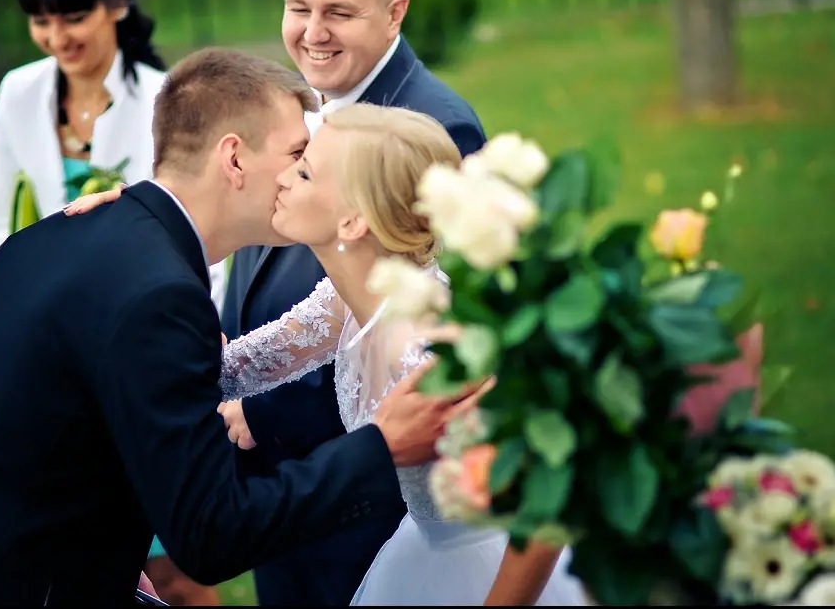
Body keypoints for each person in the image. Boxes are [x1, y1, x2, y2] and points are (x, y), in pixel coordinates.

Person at [0, 49, 488, 606]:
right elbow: (211, 533)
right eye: (296, 155)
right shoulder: (162, 297)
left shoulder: (49, 235)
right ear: (234, 158)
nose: (296, 175)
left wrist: (98, 552)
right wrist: (380, 447)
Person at [69, 102, 587, 605]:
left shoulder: (429, 348)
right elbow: (227, 372)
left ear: (353, 222)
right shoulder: (344, 300)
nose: (283, 177)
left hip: (493, 573)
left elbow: (545, 513)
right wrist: (146, 220)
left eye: (305, 172)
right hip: (423, 553)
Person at [219, 0, 487, 606]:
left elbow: (469, 337)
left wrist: (263, 419)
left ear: (394, 13)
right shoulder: (297, 107)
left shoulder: (435, 129)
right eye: (298, 8)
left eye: (338, 12)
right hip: (291, 497)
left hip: (373, 517)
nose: (313, 32)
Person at [0, 0, 229, 603]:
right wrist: (25, 308)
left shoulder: (168, 99)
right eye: (40, 21)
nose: (58, 38)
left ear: (116, 4)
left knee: (174, 572)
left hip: (141, 353)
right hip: (51, 363)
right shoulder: (17, 94)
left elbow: (201, 241)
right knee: (71, 567)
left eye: (73, 16)